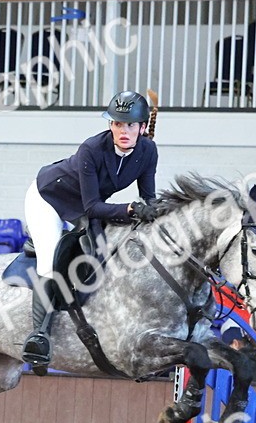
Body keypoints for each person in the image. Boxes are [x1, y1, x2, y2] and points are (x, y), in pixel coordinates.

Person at [21, 90, 159, 372]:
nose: (123, 130)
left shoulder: (148, 152)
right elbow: (94, 207)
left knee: (103, 250)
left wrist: (158, 213)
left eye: (130, 125)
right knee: (49, 260)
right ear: (110, 124)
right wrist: (131, 210)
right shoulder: (91, 149)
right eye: (118, 124)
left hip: (85, 204)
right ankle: (39, 338)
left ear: (142, 127)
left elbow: (149, 198)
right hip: (49, 197)